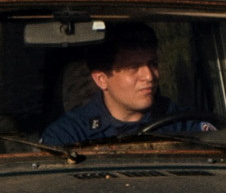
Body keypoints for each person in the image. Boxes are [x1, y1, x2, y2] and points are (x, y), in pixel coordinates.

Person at [41, 24, 200, 148]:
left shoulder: (184, 123)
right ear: (101, 79)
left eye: (153, 64)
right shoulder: (69, 135)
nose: (149, 76)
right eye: (133, 68)